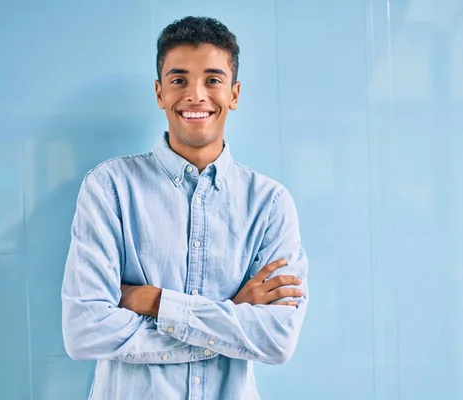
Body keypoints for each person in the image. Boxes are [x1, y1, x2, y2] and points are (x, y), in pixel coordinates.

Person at [61, 15, 309, 400]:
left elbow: (277, 340)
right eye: (179, 80)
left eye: (212, 80)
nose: (195, 95)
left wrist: (155, 301)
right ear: (160, 93)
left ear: (235, 93)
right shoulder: (109, 188)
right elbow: (84, 331)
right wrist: (230, 316)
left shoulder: (270, 204)